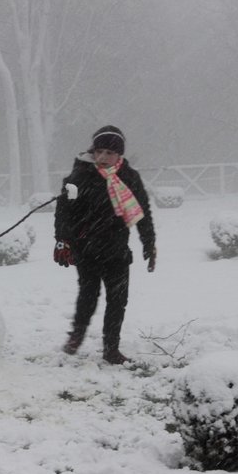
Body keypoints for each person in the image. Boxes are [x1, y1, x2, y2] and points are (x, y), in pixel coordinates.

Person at [53, 125, 156, 364]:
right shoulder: (79, 177)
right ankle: (76, 335)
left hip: (117, 250)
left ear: (119, 155)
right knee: (88, 294)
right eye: (99, 151)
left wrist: (149, 243)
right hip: (85, 249)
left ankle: (112, 348)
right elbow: (63, 213)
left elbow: (142, 212)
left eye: (109, 152)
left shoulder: (129, 177)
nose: (103, 157)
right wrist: (62, 241)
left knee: (118, 300)